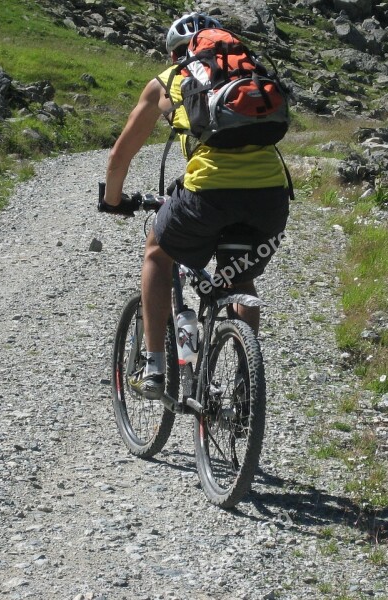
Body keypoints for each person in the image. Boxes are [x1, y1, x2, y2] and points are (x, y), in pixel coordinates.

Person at [101, 12, 291, 400]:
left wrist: (113, 199)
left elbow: (122, 154)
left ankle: (154, 368)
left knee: (157, 251)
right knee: (237, 278)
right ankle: (244, 382)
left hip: (208, 194)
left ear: (178, 54)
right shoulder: (246, 77)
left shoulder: (168, 82)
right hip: (271, 198)